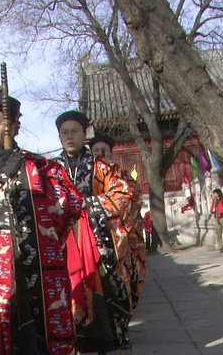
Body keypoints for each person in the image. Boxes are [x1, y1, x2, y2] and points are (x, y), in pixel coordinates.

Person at [0, 93, 83, 354]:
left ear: (13, 127)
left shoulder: (41, 169)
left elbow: (70, 206)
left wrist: (26, 188)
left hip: (30, 277)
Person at [53, 111, 136, 354]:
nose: (70, 137)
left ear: (84, 134)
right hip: (63, 244)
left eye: (74, 131)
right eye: (64, 133)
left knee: (103, 291)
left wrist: (87, 205)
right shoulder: (49, 170)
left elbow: (124, 195)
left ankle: (101, 343)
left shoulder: (103, 168)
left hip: (98, 242)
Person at [89, 133, 146, 316]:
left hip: (125, 237)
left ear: (111, 152)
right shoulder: (89, 177)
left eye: (103, 150)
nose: (100, 154)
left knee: (126, 281)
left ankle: (124, 322)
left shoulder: (123, 176)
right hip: (97, 239)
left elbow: (133, 201)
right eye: (95, 151)